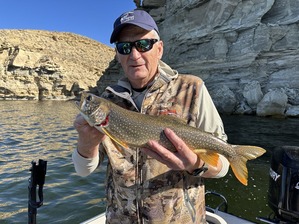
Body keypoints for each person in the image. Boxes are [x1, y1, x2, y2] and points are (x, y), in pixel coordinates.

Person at [72, 9, 229, 224]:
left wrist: (194, 164)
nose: (134, 55)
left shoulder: (193, 89)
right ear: (118, 55)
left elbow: (223, 164)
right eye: (124, 47)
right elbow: (82, 171)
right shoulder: (108, 100)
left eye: (143, 45)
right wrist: (86, 144)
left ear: (160, 48)